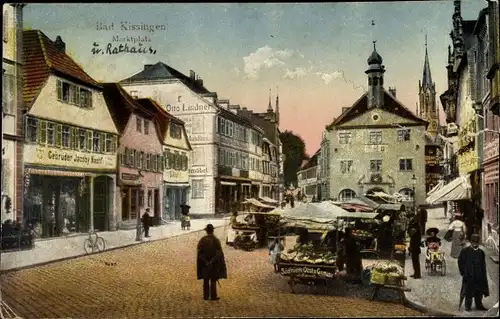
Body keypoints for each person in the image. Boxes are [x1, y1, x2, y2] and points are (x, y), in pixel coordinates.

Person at [458, 234, 489, 311]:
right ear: (471, 242)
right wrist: (463, 272)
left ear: (478, 243)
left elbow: (483, 264)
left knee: (479, 291)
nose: (475, 244)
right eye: (473, 242)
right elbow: (460, 262)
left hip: (479, 275)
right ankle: (467, 306)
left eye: (476, 242)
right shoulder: (465, 251)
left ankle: (479, 305)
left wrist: (483, 274)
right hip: (469, 275)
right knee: (468, 291)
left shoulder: (481, 252)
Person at [197, 224, 227, 301]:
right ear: (212, 230)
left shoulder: (202, 240)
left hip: (204, 264)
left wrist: (206, 261)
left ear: (206, 231)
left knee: (206, 280)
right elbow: (219, 253)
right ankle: (213, 296)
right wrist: (212, 261)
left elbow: (200, 253)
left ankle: (206, 296)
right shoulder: (216, 240)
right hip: (214, 264)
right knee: (213, 279)